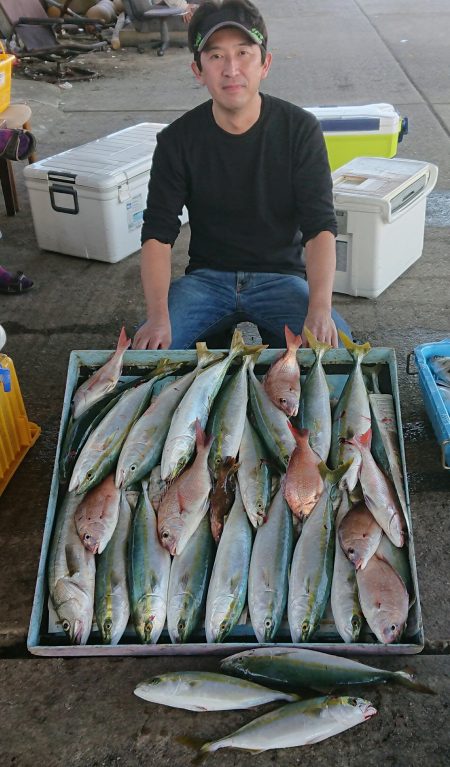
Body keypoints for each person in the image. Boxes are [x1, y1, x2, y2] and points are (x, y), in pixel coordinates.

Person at [133, 0, 351, 351]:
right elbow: (158, 234)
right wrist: (158, 317)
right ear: (198, 70)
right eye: (216, 56)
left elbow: (320, 226)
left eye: (243, 53)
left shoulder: (300, 129)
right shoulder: (177, 140)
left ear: (265, 63)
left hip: (282, 279)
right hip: (206, 281)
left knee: (338, 352)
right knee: (143, 357)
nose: (231, 69)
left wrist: (320, 309)